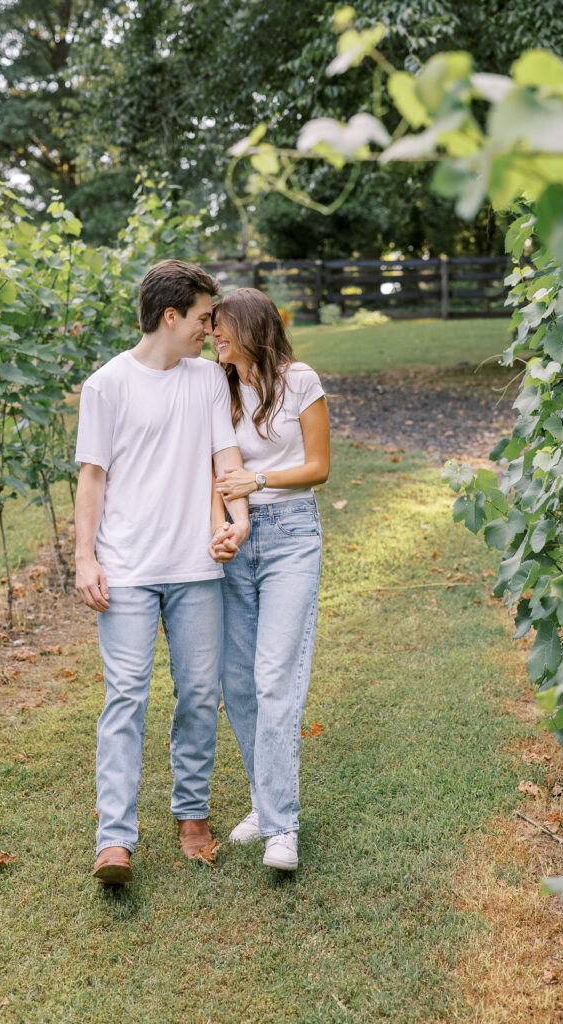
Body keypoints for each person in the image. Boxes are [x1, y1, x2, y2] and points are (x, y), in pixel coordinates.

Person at [74, 259, 249, 885]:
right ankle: (114, 840)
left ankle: (193, 814)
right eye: (203, 317)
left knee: (201, 692)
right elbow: (91, 477)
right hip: (125, 570)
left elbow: (224, 453)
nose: (210, 328)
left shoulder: (205, 380)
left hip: (196, 565)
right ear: (170, 317)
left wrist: (239, 517)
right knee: (125, 697)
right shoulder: (107, 385)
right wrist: (84, 558)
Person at [210, 288, 330, 871]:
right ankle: (265, 800)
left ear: (253, 327)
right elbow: (214, 462)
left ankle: (282, 828)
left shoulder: (300, 379)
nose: (214, 336)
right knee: (238, 681)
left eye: (223, 326)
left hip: (291, 533)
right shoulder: (219, 386)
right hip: (236, 538)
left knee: (275, 676)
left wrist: (259, 485)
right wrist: (231, 520)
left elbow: (319, 467)